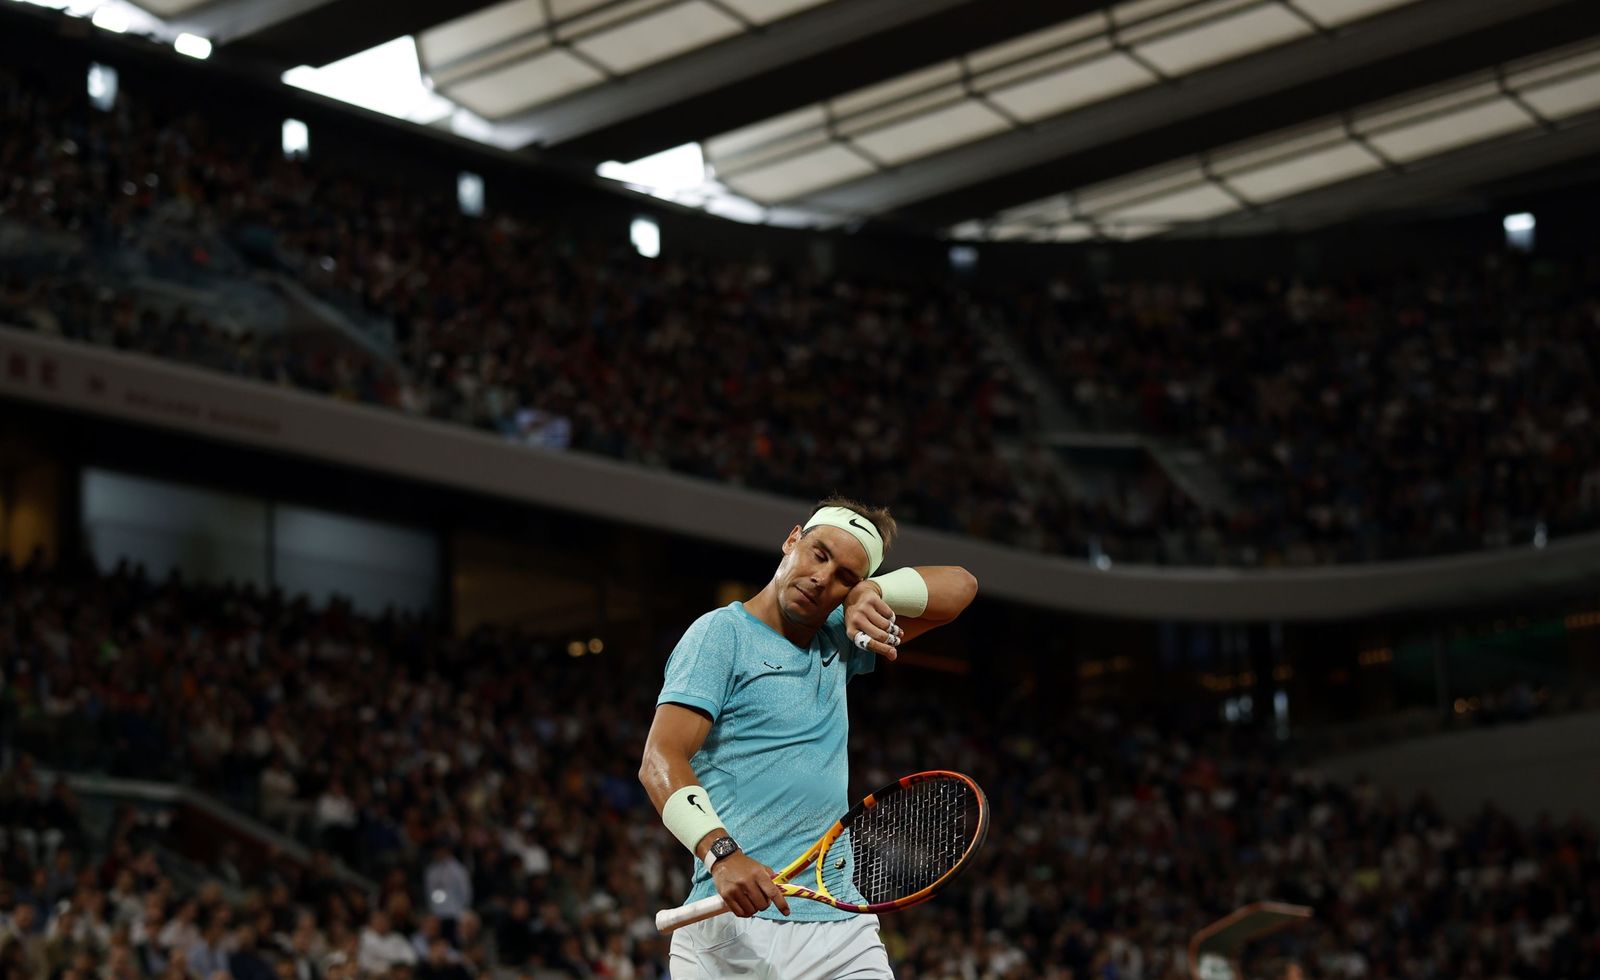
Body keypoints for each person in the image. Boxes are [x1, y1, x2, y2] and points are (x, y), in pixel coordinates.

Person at [639, 496, 978, 978]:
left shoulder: (841, 638)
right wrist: (721, 854)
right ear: (792, 539)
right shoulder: (720, 635)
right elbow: (660, 758)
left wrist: (872, 591)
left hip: (841, 928)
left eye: (845, 577)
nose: (823, 578)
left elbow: (962, 587)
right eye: (819, 554)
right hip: (735, 926)